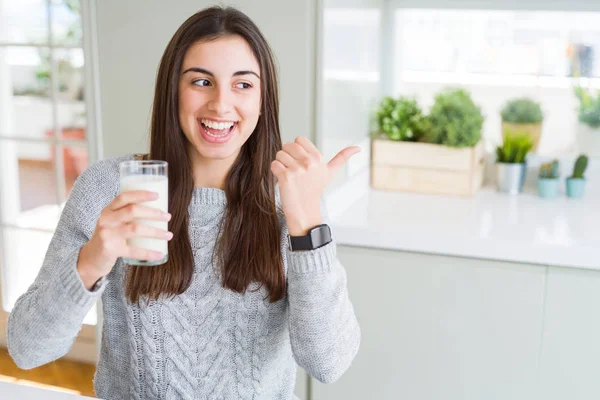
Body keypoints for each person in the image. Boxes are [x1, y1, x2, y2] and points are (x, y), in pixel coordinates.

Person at [7, 6, 360, 399]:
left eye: (243, 85)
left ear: (263, 100)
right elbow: (27, 349)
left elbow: (328, 362)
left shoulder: (291, 198)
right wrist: (92, 259)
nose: (221, 105)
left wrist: (307, 222)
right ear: (173, 89)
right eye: (201, 82)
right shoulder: (110, 187)